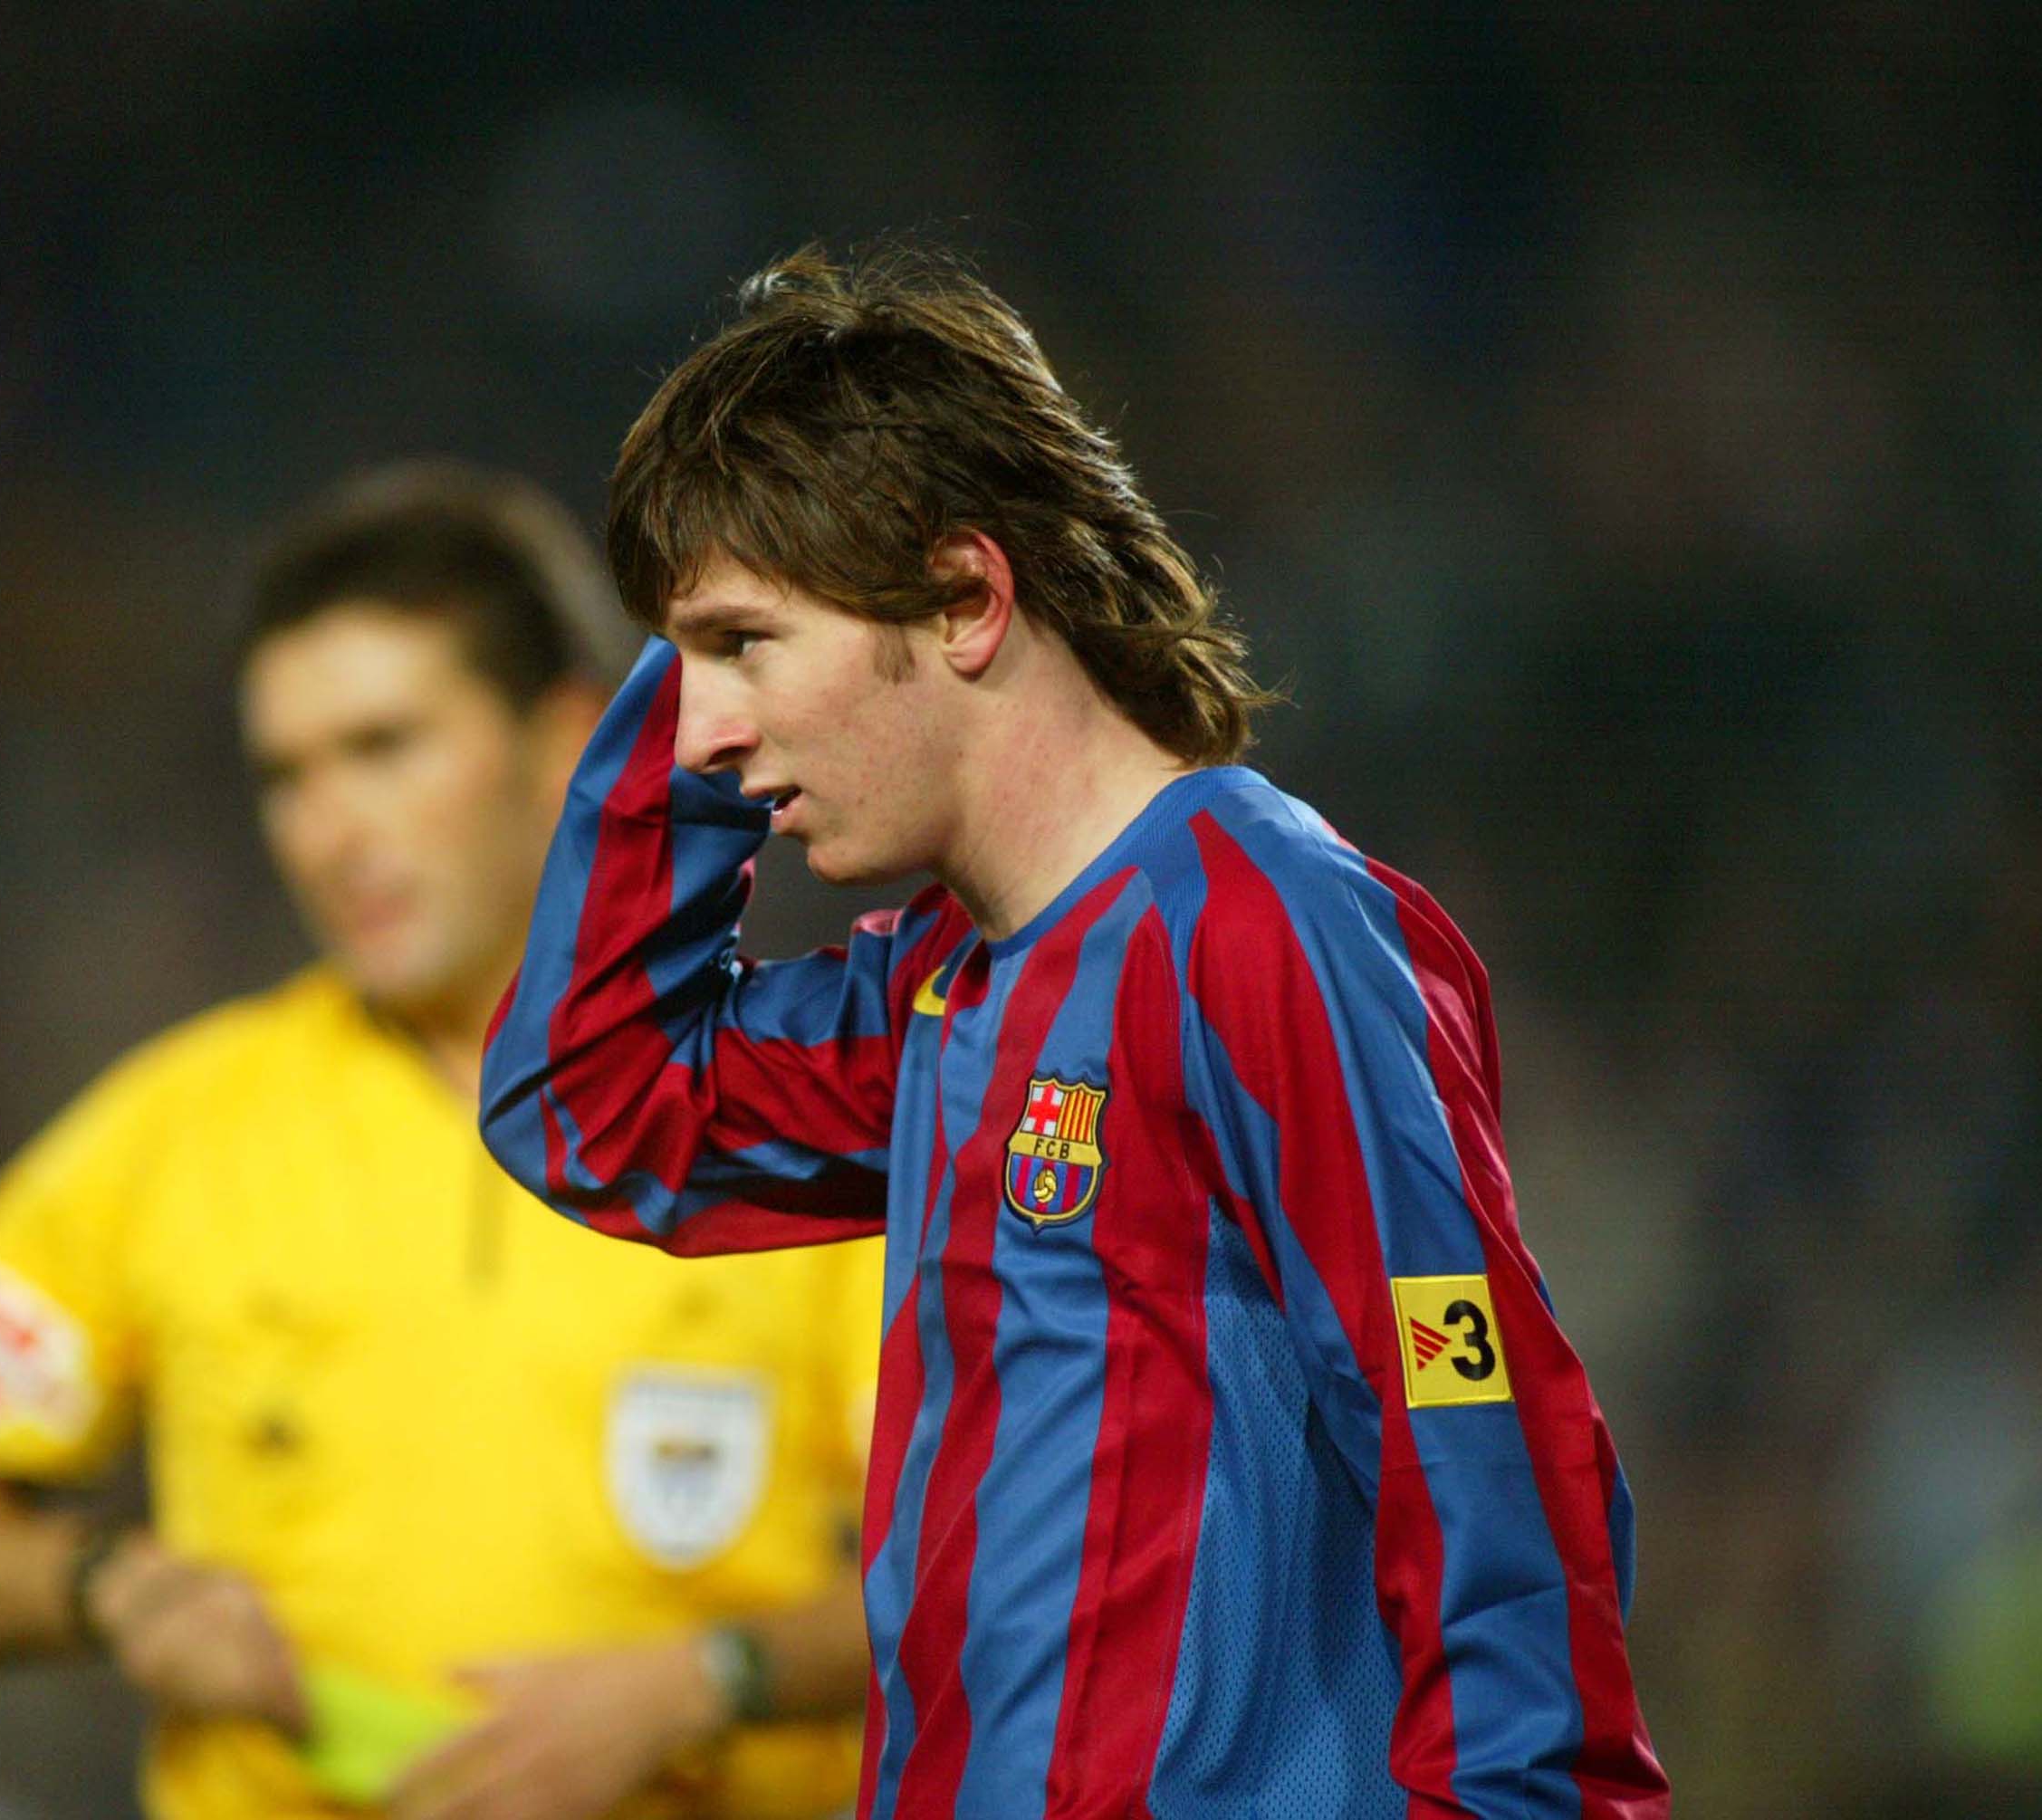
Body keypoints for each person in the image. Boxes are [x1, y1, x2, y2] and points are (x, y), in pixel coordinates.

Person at [479, 247, 1672, 1818]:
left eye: (742, 644)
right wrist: (708, 587)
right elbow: (592, 1106)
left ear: (968, 597)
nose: (699, 734)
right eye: (687, 661)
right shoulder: (941, 989)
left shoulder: (1261, 927)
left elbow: (1474, 1426)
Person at [0, 462, 880, 1820]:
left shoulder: (805, 1112)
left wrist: (704, 1680)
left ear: (563, 746)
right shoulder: (176, 1135)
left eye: (383, 747)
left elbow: (1004, 1563)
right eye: (285, 775)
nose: (327, 829)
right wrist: (109, 1588)